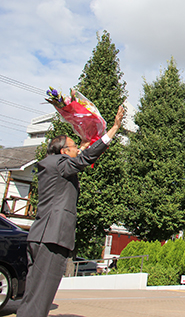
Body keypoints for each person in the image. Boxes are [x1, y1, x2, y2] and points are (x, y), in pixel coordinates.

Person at [16, 106, 124, 317]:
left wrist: (82, 147)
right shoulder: (61, 165)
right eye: (74, 146)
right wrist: (112, 130)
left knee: (33, 292)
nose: (78, 148)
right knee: (42, 296)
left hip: (40, 236)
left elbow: (77, 157)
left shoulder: (51, 165)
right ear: (64, 152)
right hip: (53, 237)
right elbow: (83, 160)